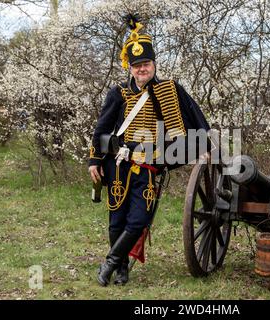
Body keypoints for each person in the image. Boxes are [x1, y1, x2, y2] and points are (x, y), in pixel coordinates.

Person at [88, 14, 210, 286]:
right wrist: (94, 160)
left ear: (153, 64)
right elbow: (102, 128)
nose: (141, 69)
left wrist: (203, 145)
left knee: (138, 219)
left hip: (149, 166)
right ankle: (122, 270)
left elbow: (194, 116)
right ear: (129, 68)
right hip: (117, 165)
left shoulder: (169, 91)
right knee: (116, 220)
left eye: (145, 64)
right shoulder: (117, 93)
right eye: (136, 65)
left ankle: (108, 263)